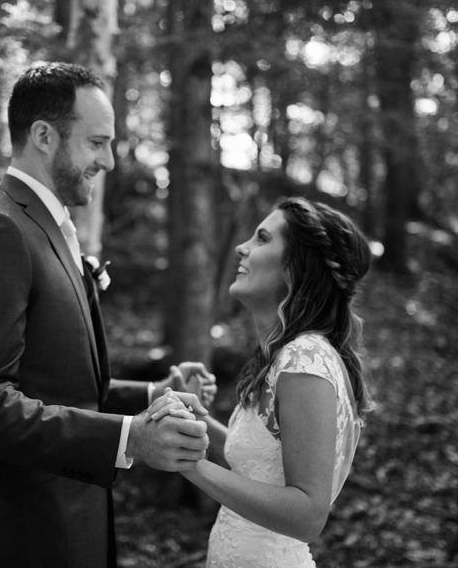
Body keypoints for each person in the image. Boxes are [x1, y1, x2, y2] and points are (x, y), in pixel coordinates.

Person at [0, 62, 214, 568]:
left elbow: (63, 385)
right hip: (20, 538)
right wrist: (129, 438)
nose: (108, 161)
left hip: (73, 526)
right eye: (96, 143)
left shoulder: (49, 226)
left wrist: (156, 394)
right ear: (43, 135)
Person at [146, 197, 372, 567]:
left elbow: (307, 514)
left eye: (262, 239)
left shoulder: (305, 361)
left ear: (295, 269)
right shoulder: (285, 355)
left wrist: (192, 465)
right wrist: (193, 420)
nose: (241, 247)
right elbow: (261, 464)